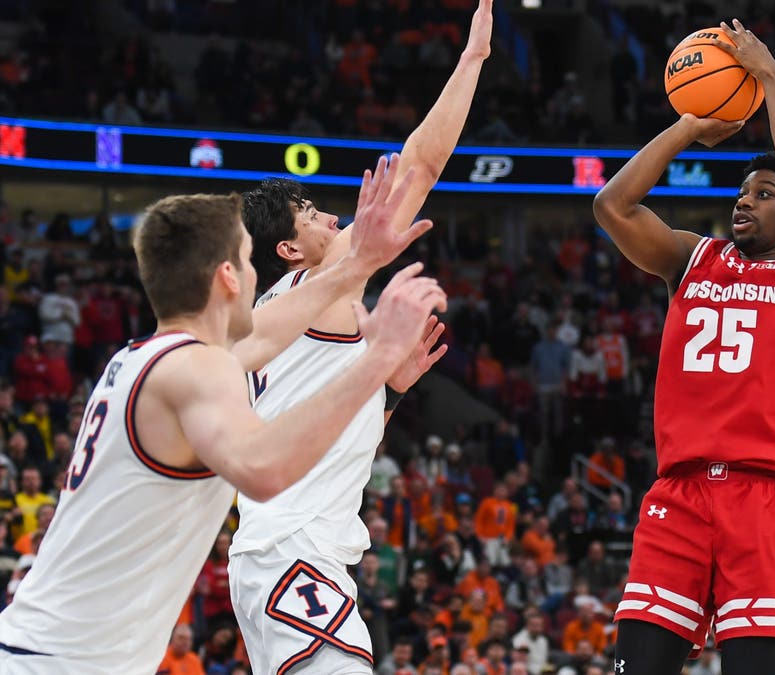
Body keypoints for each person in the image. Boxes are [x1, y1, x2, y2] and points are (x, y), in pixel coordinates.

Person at [0, 156, 443, 673]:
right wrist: (376, 360)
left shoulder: (147, 357)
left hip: (58, 650)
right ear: (229, 276)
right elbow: (266, 472)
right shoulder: (193, 370)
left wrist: (359, 265)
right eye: (251, 264)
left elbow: (278, 326)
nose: (262, 280)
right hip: (59, 660)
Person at [228, 3, 492, 673]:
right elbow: (422, 165)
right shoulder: (327, 285)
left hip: (287, 553)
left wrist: (388, 393)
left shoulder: (279, 316)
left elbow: (319, 423)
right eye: (315, 216)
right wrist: (472, 62)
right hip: (293, 550)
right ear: (290, 248)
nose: (335, 216)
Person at [594, 20, 775, 675]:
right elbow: (612, 206)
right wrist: (689, 126)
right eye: (741, 192)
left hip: (764, 500)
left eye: (764, 195)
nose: (745, 201)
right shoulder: (691, 259)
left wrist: (771, 77)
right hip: (677, 495)